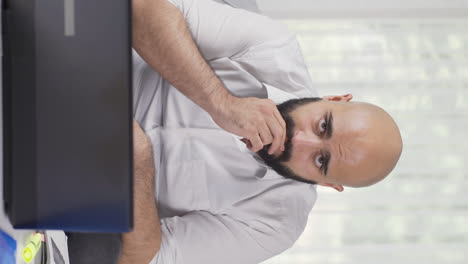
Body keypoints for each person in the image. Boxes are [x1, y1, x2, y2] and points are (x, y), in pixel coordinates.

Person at [118, 0, 403, 263]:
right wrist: (221, 103)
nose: (299, 141)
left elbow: (149, 259)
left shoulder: (277, 224)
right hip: (90, 73)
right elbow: (142, 9)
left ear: (329, 185)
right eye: (323, 126)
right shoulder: (273, 46)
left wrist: (137, 162)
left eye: (321, 161)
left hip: (86, 183)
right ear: (334, 99)